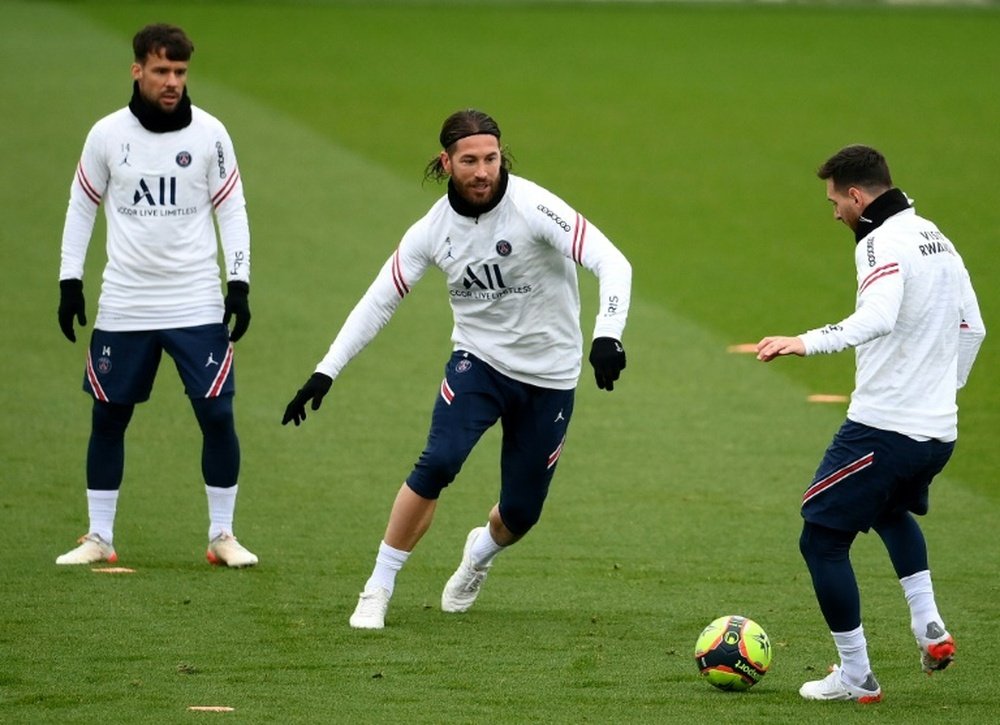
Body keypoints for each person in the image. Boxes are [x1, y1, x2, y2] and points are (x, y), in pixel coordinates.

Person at [282, 109, 631, 629]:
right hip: (479, 363)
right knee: (438, 461)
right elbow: (379, 301)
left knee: (521, 513)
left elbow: (612, 262)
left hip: (550, 376)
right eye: (469, 160)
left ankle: (477, 556)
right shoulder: (432, 230)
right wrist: (325, 371)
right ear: (446, 162)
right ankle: (377, 588)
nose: (483, 171)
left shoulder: (533, 207)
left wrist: (607, 335)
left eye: (491, 158)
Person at [757, 145, 985, 703]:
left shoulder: (879, 241)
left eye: (835, 201)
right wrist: (940, 395)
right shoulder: (937, 235)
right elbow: (973, 328)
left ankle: (855, 675)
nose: (834, 212)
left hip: (884, 428)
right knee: (887, 508)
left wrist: (803, 343)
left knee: (821, 539)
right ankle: (928, 625)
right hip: (938, 433)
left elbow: (878, 317)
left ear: (857, 197)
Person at [56, 23, 258, 568]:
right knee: (108, 418)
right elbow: (82, 206)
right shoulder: (106, 135)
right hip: (125, 303)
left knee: (217, 415)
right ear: (137, 69)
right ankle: (99, 537)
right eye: (162, 71)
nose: (172, 82)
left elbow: (231, 209)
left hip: (195, 301)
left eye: (180, 72)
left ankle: (222, 535)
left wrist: (238, 283)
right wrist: (69, 280)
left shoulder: (211, 133)